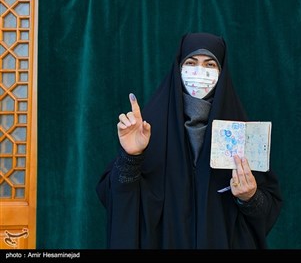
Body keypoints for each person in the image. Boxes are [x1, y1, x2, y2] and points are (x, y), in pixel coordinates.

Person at [96, 32, 282, 249]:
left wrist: (249, 197)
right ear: (178, 68)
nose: (199, 72)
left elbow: (268, 209)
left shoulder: (240, 131)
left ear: (222, 73)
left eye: (210, 65)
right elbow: (113, 197)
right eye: (191, 63)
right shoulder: (147, 128)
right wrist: (131, 158)